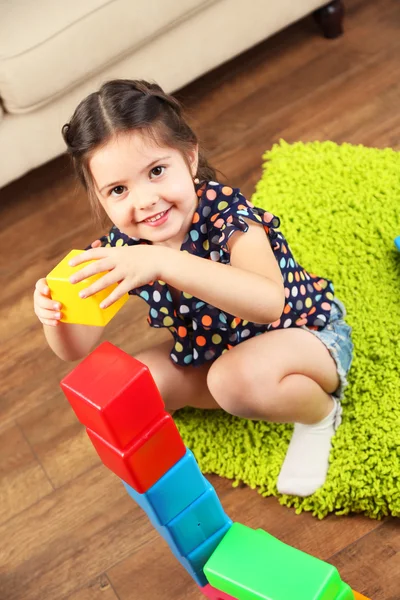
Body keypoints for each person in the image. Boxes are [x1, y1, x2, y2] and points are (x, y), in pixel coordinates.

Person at [33, 79, 353, 497]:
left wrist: (164, 261)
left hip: (306, 339)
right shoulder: (124, 246)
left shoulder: (228, 213)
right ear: (99, 197)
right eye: (118, 190)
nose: (145, 200)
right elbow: (76, 349)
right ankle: (242, 389)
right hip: (216, 351)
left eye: (157, 171)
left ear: (189, 156)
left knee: (230, 381)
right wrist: (55, 314)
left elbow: (268, 303)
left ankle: (319, 415)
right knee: (135, 387)